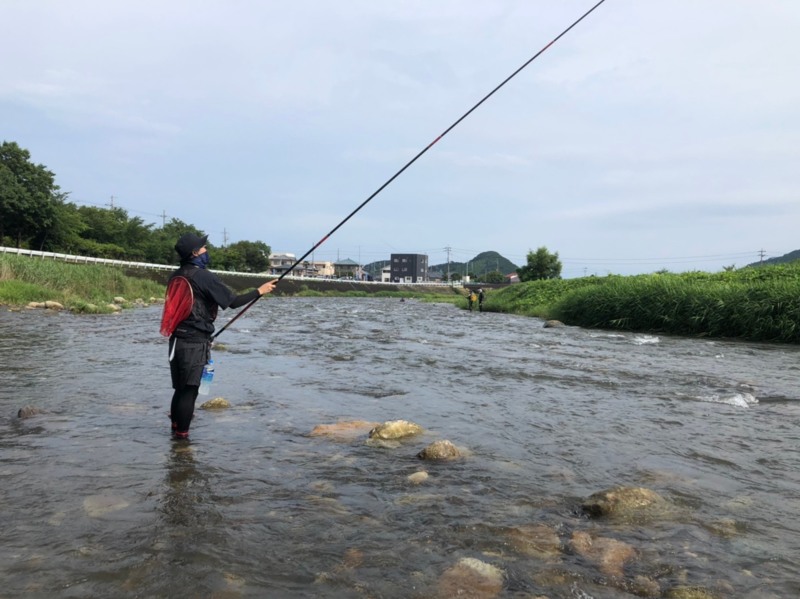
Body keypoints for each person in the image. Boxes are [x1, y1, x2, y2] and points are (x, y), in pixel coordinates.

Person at [166, 233, 276, 440]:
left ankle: (175, 429)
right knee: (190, 390)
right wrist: (259, 291)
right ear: (195, 253)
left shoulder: (176, 275)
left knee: (180, 388)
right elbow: (232, 301)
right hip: (194, 341)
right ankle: (182, 440)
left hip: (177, 339)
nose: (207, 250)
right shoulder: (203, 276)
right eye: (204, 248)